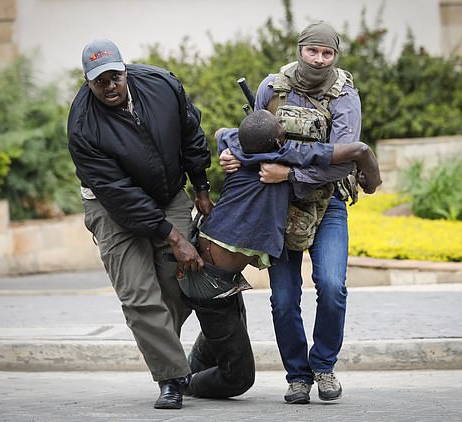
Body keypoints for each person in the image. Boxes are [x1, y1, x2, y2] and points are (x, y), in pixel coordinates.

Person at [183, 110, 381, 398]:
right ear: (279, 141)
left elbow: (219, 133)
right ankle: (178, 383)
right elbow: (360, 149)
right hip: (213, 283)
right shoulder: (286, 154)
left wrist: (228, 149)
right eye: (282, 130)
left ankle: (185, 372)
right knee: (238, 377)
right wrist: (372, 181)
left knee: (220, 333)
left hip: (212, 267)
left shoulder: (238, 144)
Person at [220, 21, 366, 404]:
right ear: (299, 50)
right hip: (278, 205)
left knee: (332, 286)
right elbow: (254, 140)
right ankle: (298, 376)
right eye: (312, 51)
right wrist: (234, 157)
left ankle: (324, 367)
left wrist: (292, 172)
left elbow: (343, 160)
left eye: (327, 53)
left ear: (335, 56)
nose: (319, 59)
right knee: (283, 299)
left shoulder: (344, 95)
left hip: (328, 200)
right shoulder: (272, 87)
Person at [67, 39, 213, 410]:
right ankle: (171, 378)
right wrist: (172, 235)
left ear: (125, 70)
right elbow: (120, 196)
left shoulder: (162, 85)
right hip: (109, 207)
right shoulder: (83, 126)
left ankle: (170, 360)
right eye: (101, 81)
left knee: (177, 283)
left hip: (166, 194)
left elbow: (191, 134)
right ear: (88, 83)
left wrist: (201, 186)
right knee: (137, 294)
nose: (111, 86)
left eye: (115, 76)